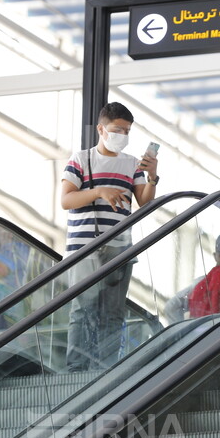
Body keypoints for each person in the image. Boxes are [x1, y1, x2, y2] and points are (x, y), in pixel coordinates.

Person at [60, 102, 158, 371]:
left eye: (127, 131)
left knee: (113, 314)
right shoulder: (81, 159)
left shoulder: (131, 164)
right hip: (83, 249)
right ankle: (75, 370)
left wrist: (151, 177)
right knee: (82, 311)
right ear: (101, 129)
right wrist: (99, 191)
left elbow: (144, 203)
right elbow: (66, 200)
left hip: (120, 248)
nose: (123, 136)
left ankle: (106, 370)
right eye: (118, 130)